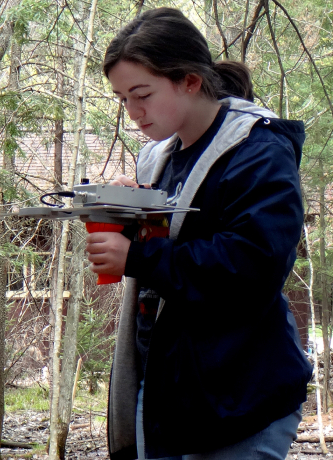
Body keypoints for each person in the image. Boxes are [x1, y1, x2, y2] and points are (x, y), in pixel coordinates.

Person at [84, 8, 313, 460]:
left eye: (142, 94)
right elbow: (185, 238)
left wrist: (138, 257)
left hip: (240, 395)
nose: (132, 112)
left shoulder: (258, 152)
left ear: (189, 80)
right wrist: (136, 213)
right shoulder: (160, 158)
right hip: (171, 388)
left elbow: (253, 264)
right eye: (122, 98)